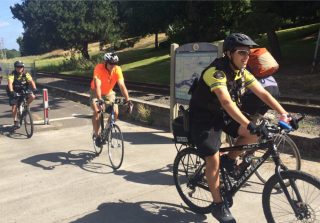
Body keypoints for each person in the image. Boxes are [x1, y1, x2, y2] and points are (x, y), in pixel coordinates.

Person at [189, 33, 297, 223]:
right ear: (229, 53)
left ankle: (230, 161)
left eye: (248, 53)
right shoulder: (216, 72)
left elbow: (263, 93)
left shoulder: (242, 71)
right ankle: (217, 204)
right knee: (213, 158)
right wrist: (249, 123)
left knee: (252, 134)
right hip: (203, 118)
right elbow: (226, 101)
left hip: (223, 114)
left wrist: (284, 113)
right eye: (241, 53)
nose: (246, 57)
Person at [90, 52, 131, 147]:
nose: (113, 66)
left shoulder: (117, 69)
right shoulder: (99, 68)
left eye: (115, 64)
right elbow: (97, 85)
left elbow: (122, 85)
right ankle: (97, 136)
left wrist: (128, 100)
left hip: (109, 92)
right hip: (96, 92)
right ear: (106, 62)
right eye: (111, 64)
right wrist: (99, 99)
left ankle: (106, 132)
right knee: (97, 111)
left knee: (115, 112)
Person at [7, 61, 38, 128]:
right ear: (15, 67)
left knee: (32, 96)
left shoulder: (26, 73)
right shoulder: (12, 74)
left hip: (23, 89)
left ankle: (25, 106)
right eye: (18, 67)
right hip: (14, 90)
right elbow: (10, 83)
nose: (20, 68)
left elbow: (31, 81)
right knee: (14, 106)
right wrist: (12, 91)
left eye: (21, 67)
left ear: (23, 67)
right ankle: (15, 121)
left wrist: (34, 88)